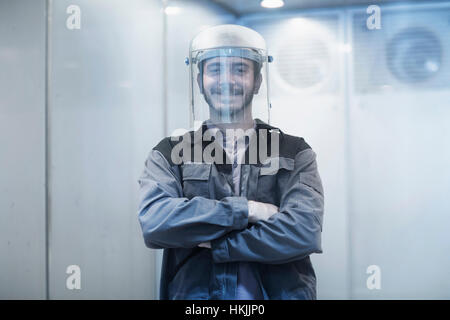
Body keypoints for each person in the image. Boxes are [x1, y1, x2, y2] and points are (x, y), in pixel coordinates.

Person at [137, 24, 324, 300]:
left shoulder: (294, 151)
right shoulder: (171, 152)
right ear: (199, 81)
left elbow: (303, 231)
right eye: (215, 70)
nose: (227, 80)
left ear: (258, 80)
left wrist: (214, 243)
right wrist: (248, 210)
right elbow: (155, 223)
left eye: (240, 69)